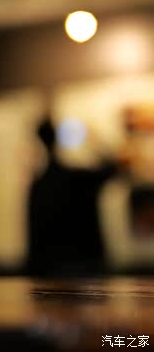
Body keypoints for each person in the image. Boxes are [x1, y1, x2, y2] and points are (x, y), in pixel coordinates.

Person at [27, 117, 117, 277]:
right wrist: (94, 138)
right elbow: (113, 167)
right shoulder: (78, 179)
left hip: (50, 267)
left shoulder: (39, 185)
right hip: (86, 264)